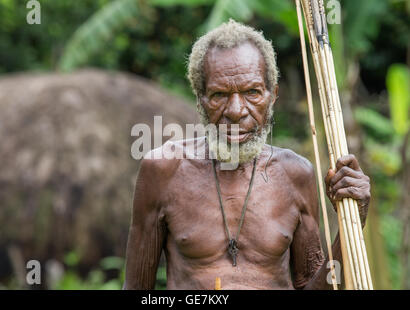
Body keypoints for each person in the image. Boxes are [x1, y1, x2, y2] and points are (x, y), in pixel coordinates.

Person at [123, 20, 370, 290]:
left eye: (252, 92)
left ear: (272, 95)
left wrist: (352, 223)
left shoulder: (296, 175)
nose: (237, 110)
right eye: (219, 95)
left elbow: (316, 288)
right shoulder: (163, 170)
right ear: (200, 99)